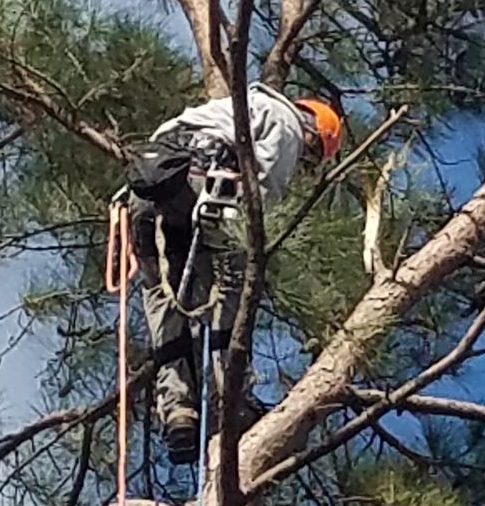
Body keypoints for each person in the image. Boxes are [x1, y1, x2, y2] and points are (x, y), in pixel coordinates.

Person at [121, 86, 345, 464]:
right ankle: (231, 397)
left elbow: (161, 140)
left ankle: (178, 409)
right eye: (309, 160)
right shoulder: (286, 123)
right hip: (199, 187)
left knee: (162, 293)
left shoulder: (222, 110)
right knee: (232, 284)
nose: (302, 169)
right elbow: (262, 195)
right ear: (312, 135)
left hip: (148, 189)